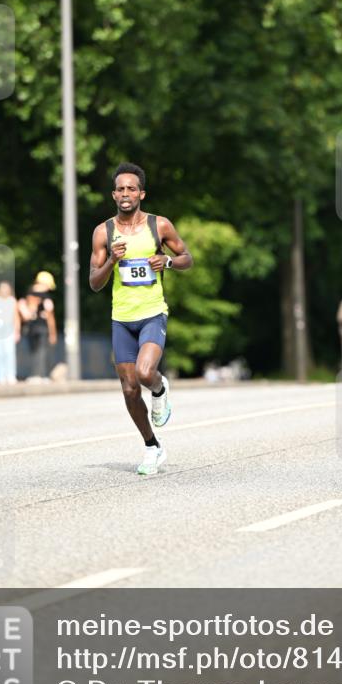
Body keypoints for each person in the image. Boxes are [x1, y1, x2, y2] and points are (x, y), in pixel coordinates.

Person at [89, 162, 193, 476]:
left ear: (141, 193)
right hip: (121, 318)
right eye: (120, 189)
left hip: (152, 313)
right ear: (113, 194)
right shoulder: (103, 232)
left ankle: (160, 391)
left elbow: (187, 258)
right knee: (130, 389)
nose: (125, 194)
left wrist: (169, 262)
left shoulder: (158, 226)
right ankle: (152, 446)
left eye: (131, 188)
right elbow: (95, 282)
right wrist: (111, 259)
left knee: (146, 374)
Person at [18, 271, 58, 381]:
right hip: (43, 328)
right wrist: (53, 333)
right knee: (42, 351)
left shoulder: (28, 295)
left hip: (31, 327)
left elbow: (26, 313)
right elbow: (50, 317)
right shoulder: (46, 298)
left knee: (34, 351)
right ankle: (42, 375)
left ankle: (35, 375)